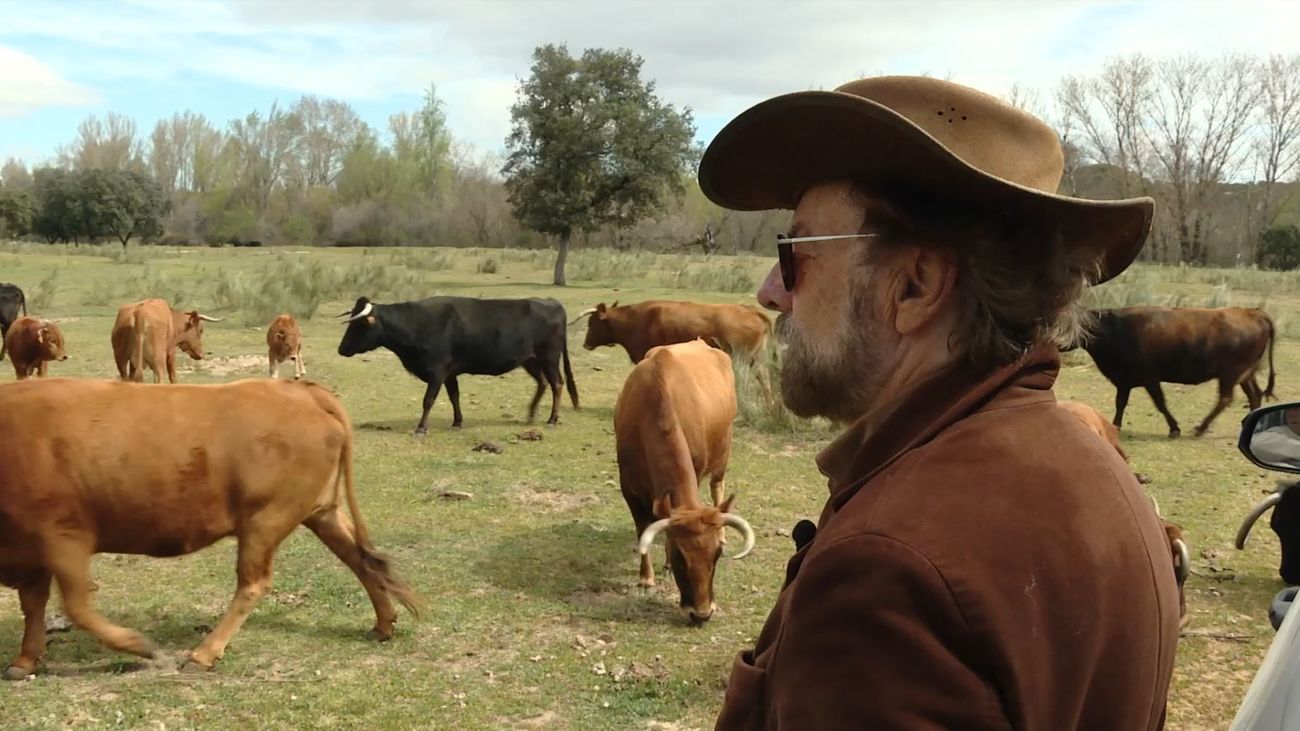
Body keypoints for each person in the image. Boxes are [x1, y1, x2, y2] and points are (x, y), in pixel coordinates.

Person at [698, 76, 1181, 730]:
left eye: (795, 253)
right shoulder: (1100, 472)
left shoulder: (883, 571)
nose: (769, 293)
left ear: (915, 287)